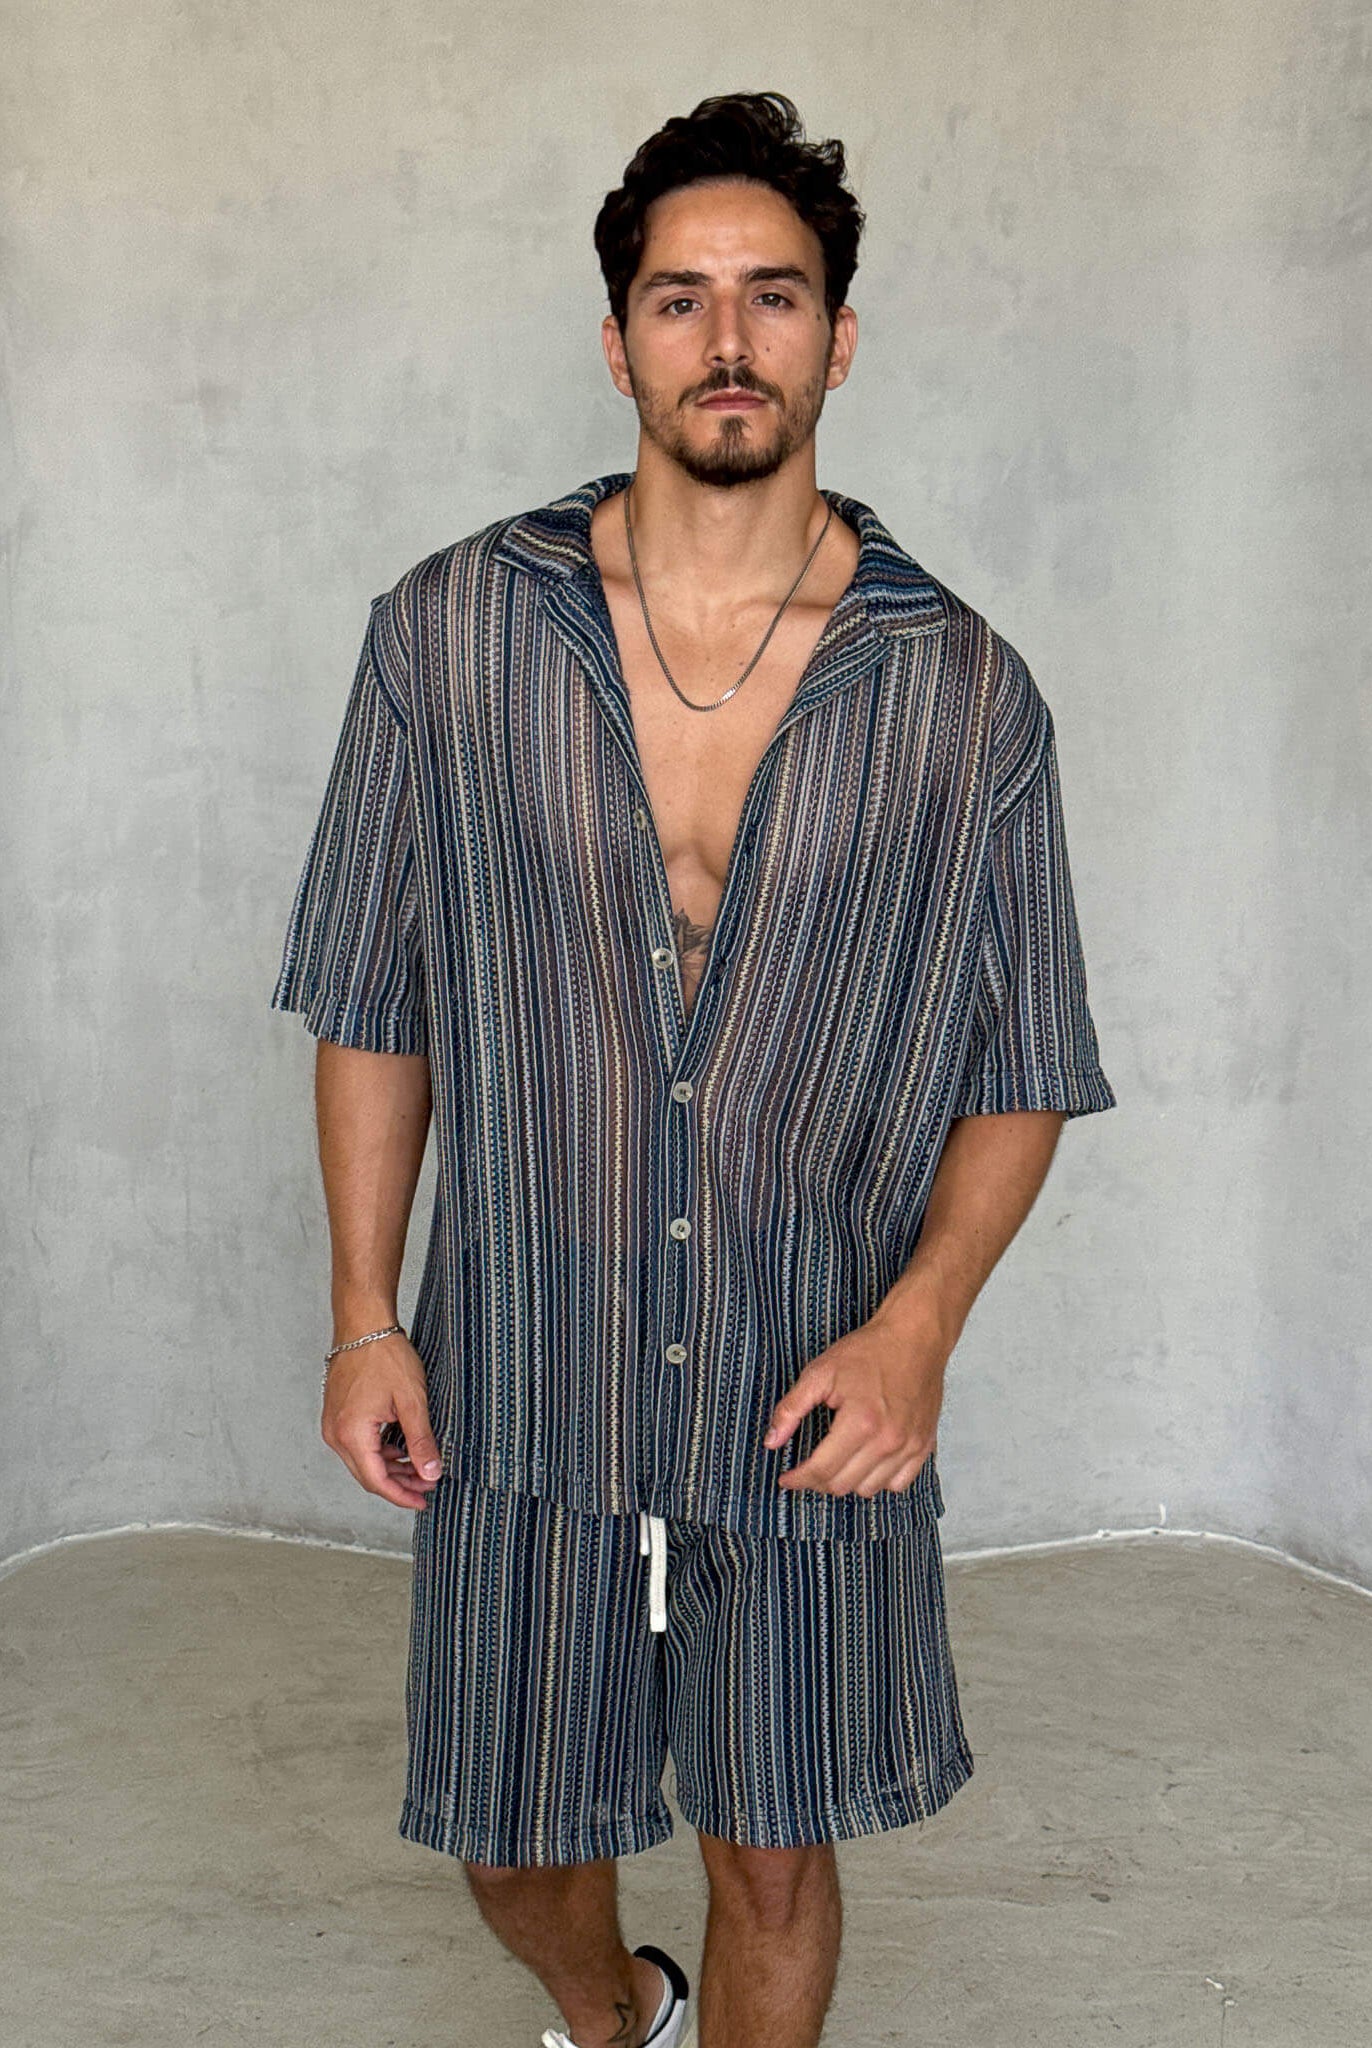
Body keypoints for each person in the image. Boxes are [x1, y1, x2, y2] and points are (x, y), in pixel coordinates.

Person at [269, 89, 1116, 2048]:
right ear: (617, 341)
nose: (727, 340)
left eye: (773, 295)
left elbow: (1024, 1060)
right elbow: (374, 997)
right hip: (524, 1358)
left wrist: (918, 1327)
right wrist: (364, 1313)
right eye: (680, 299)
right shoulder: (449, 635)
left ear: (838, 336)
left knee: (775, 1855)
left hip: (807, 1364)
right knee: (510, 1843)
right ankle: (612, 2011)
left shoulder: (961, 691)